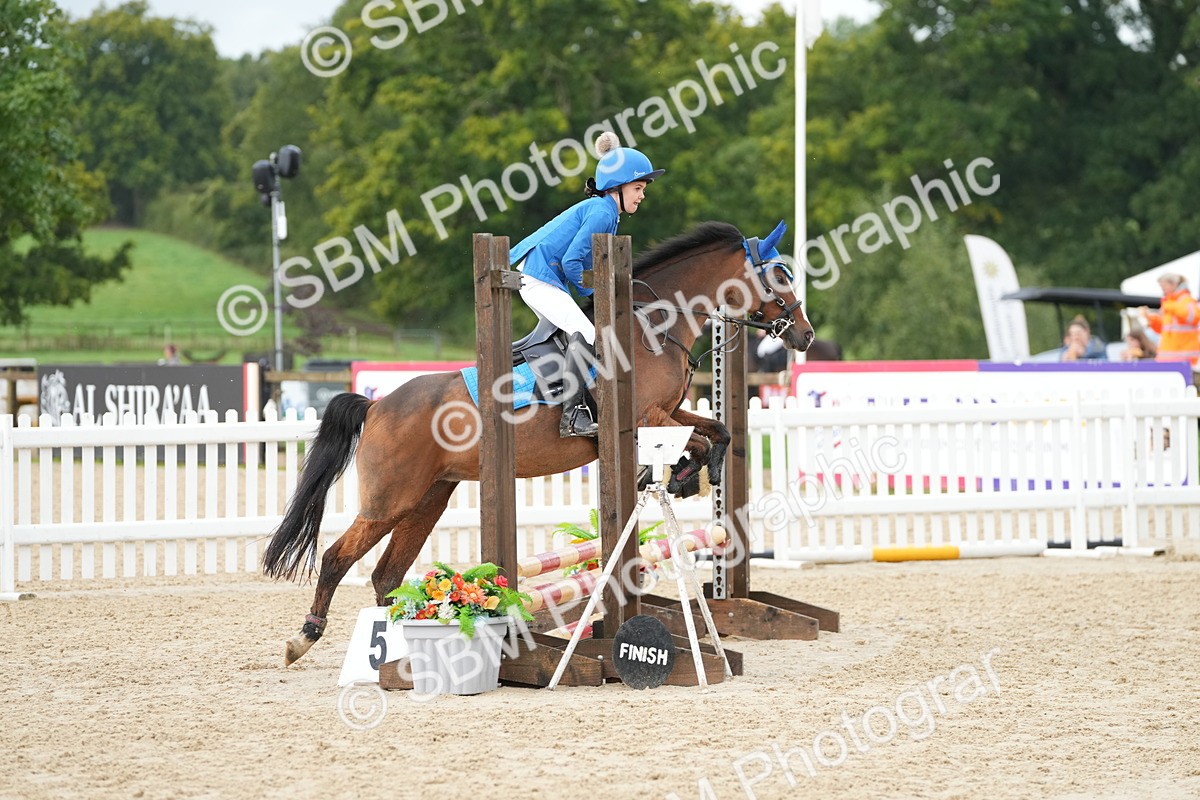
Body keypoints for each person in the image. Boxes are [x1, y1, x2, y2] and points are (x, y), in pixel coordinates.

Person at [510, 132, 664, 437]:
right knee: (586, 332)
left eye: (642, 189)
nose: (641, 195)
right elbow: (571, 262)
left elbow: (586, 265)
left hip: (541, 274)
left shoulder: (607, 213)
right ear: (617, 188)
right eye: (637, 188)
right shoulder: (601, 212)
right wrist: (596, 294)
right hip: (539, 276)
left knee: (574, 331)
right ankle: (572, 417)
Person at [1139, 273, 1199, 371]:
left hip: (1184, 359)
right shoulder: (1168, 303)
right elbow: (1163, 328)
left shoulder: (1186, 301)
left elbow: (1193, 318)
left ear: (1173, 284)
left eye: (1163, 286)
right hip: (1167, 358)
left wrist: (1170, 306)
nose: (1163, 290)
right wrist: (1150, 319)